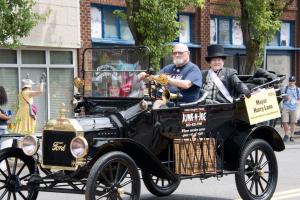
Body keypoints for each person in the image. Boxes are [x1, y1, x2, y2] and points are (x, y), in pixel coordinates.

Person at [140, 43, 202, 108]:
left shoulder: (193, 69)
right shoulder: (168, 68)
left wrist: (167, 79)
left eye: (180, 53)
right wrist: (144, 77)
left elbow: (186, 84)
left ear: (188, 54)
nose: (177, 55)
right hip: (166, 103)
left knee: (157, 104)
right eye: (174, 53)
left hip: (184, 107)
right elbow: (155, 78)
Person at [281, 76, 300, 142]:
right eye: (290, 81)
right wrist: (286, 97)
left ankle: (291, 136)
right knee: (284, 121)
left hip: (294, 107)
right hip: (286, 106)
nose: (291, 82)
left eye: (293, 81)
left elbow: (299, 99)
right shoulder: (285, 88)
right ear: (289, 81)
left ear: (295, 81)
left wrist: (297, 102)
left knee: (293, 122)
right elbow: (282, 96)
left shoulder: (298, 89)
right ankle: (287, 134)